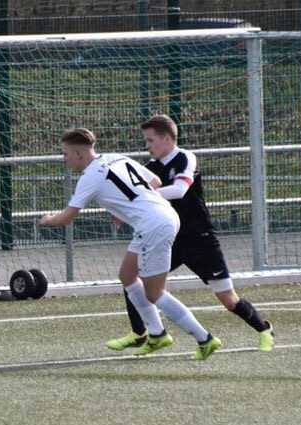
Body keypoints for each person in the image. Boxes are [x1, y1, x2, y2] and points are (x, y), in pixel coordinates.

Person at [38, 128, 221, 360]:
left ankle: (205, 339)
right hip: (160, 216)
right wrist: (131, 203)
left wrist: (47, 220)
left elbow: (66, 218)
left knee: (154, 293)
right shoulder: (116, 157)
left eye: (65, 154)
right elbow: (155, 181)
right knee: (127, 274)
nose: (64, 159)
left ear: (78, 153)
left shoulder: (90, 177)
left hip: (154, 224)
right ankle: (157, 334)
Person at [106, 114, 274, 352]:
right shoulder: (150, 169)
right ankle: (142, 333)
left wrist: (141, 196)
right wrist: (122, 210)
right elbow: (137, 196)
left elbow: (179, 190)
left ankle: (264, 329)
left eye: (150, 140)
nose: (147, 145)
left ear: (166, 139)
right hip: (169, 239)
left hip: (199, 240)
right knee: (133, 278)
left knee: (228, 298)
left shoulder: (185, 158)